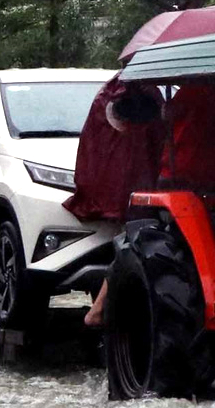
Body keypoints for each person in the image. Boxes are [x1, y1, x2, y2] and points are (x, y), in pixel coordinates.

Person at [66, 81, 165, 327]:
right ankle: (99, 309)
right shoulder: (123, 94)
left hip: (135, 185)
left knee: (134, 242)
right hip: (139, 187)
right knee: (135, 242)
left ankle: (102, 308)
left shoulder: (116, 93)